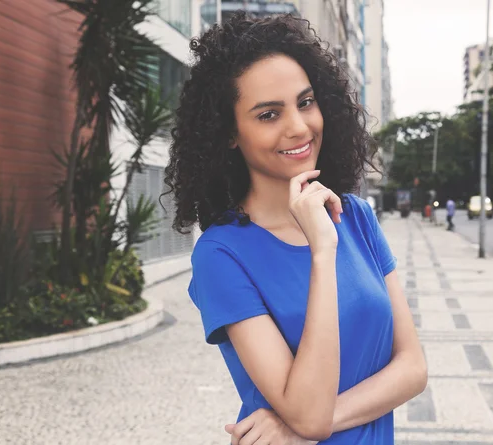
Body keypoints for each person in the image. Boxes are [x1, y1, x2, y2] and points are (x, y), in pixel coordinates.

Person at [163, 12, 427, 445]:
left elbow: (412, 367)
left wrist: (296, 425)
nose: (299, 127)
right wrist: (322, 250)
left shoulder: (356, 216)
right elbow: (308, 412)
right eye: (268, 114)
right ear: (230, 133)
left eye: (305, 102)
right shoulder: (221, 254)